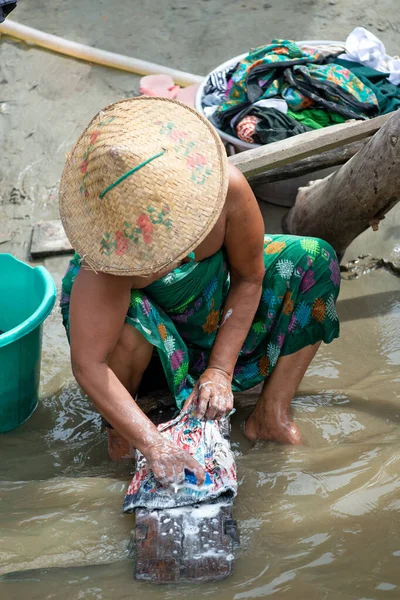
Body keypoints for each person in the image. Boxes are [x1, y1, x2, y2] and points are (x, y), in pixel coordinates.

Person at [59, 97, 340, 486]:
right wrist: (154, 445)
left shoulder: (225, 189)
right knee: (127, 326)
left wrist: (220, 371)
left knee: (314, 258)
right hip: (151, 348)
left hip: (215, 310)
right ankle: (123, 435)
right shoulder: (106, 253)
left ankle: (270, 415)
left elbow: (249, 277)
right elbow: (89, 364)